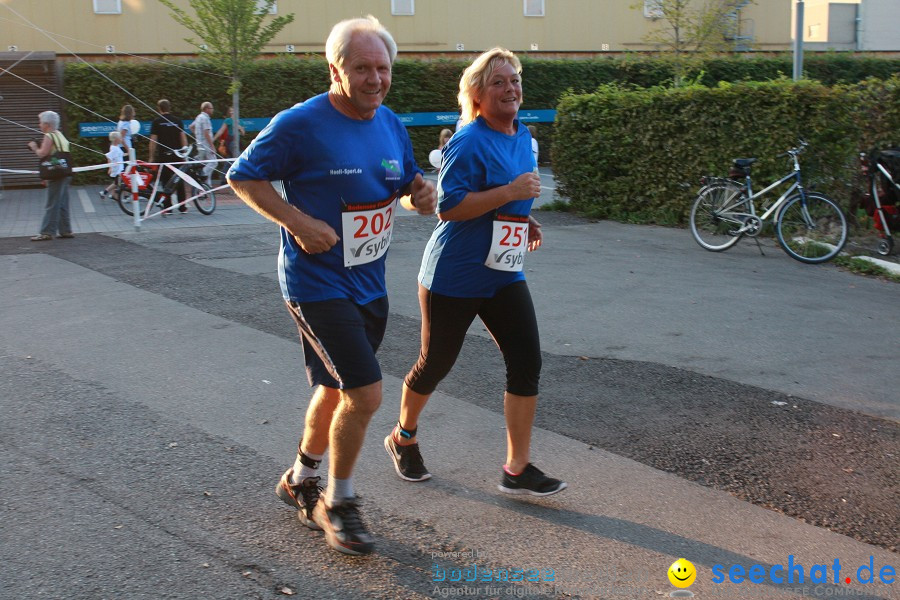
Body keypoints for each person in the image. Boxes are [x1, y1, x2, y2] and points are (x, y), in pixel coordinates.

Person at [226, 15, 437, 556]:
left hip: (369, 283)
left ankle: (300, 476)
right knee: (365, 393)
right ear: (335, 70)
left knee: (333, 387)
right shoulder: (300, 123)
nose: (374, 78)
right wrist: (297, 221)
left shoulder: (389, 122)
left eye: (383, 68)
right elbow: (243, 176)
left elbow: (404, 185)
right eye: (361, 68)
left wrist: (420, 195)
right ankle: (338, 502)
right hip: (315, 283)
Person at [384, 47, 567, 497]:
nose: (511, 89)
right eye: (498, 82)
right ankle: (402, 436)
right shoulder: (467, 140)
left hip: (503, 272)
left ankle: (517, 467)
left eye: (515, 80)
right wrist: (509, 192)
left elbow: (508, 199)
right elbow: (448, 207)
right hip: (456, 273)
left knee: (527, 361)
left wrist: (523, 217)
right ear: (478, 96)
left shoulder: (523, 136)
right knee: (435, 364)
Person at [27, 111, 74, 241]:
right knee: (63, 202)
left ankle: (46, 232)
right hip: (65, 171)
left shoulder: (49, 136)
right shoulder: (60, 135)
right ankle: (65, 230)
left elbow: (43, 153)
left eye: (41, 122)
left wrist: (34, 147)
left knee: (52, 203)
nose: (39, 125)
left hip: (55, 173)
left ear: (47, 124)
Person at [149, 99, 189, 213]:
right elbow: (183, 138)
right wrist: (184, 154)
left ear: (159, 108)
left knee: (165, 180)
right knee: (179, 180)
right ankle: (183, 207)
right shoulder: (177, 121)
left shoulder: (157, 122)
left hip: (164, 155)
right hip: (177, 154)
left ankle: (168, 207)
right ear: (169, 107)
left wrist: (151, 156)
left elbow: (153, 141)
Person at [190, 101, 216, 186]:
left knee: (206, 163)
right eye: (211, 108)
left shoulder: (198, 117)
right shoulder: (205, 118)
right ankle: (202, 176)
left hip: (200, 145)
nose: (213, 110)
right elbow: (206, 133)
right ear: (206, 109)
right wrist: (212, 146)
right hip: (206, 145)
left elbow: (191, 127)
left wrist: (197, 136)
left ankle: (207, 185)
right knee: (214, 162)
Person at [100, 130, 124, 201]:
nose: (121, 139)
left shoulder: (116, 147)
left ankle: (110, 194)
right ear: (116, 139)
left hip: (120, 168)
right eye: (120, 138)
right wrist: (110, 167)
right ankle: (106, 193)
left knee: (117, 183)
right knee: (117, 183)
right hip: (117, 169)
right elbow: (109, 157)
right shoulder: (114, 148)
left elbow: (120, 155)